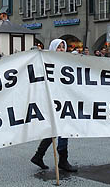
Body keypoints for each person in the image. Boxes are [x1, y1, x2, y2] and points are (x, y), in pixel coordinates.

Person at [31, 39, 77, 173]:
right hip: (54, 100)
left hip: (64, 99)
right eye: (58, 47)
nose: (61, 49)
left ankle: (39, 155)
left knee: (56, 129)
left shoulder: (66, 62)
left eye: (63, 47)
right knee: (62, 129)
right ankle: (62, 160)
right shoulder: (47, 63)